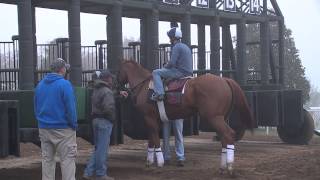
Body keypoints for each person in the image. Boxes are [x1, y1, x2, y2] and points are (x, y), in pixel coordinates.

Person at [34, 58, 77, 180]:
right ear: (62, 69)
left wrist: (41, 122)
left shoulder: (40, 85)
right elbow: (71, 108)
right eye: (65, 68)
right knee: (67, 161)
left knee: (47, 161)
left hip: (44, 128)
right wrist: (73, 125)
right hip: (63, 130)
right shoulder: (65, 84)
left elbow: (36, 107)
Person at [83, 70, 128, 180]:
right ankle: (101, 174)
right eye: (111, 78)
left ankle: (88, 173)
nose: (112, 80)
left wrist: (118, 94)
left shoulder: (97, 89)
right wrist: (112, 118)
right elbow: (108, 107)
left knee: (98, 148)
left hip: (96, 120)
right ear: (107, 79)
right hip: (105, 121)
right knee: (102, 150)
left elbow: (106, 96)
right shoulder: (107, 91)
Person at [151, 27, 193, 101]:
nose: (169, 39)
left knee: (156, 72)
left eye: (170, 37)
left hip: (180, 72)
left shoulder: (176, 47)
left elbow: (172, 63)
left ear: (173, 37)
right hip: (189, 72)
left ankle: (160, 94)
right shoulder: (186, 46)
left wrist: (165, 66)